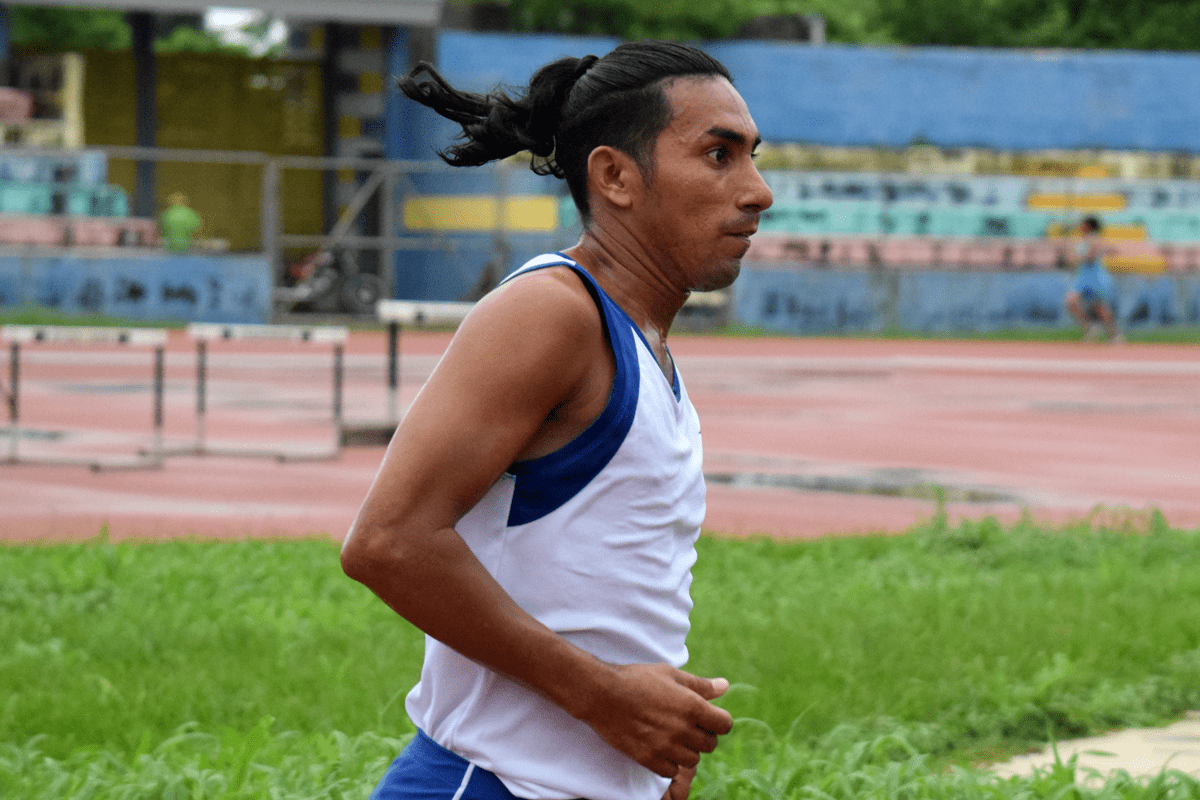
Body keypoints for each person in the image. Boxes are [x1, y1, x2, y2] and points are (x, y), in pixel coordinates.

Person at [339, 41, 772, 800]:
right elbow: (389, 543)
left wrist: (652, 764)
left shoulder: (648, 350)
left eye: (752, 157)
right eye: (718, 155)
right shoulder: (552, 314)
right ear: (614, 176)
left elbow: (610, 597)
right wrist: (603, 697)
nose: (757, 190)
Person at [1064, 215, 1122, 343]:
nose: (1080, 226)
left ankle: (1114, 335)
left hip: (1095, 276)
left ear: (1088, 226)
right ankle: (1091, 329)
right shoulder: (1082, 240)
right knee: (1071, 301)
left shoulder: (1094, 239)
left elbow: (1089, 256)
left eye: (1083, 224)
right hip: (1083, 275)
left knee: (1100, 307)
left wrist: (1076, 257)